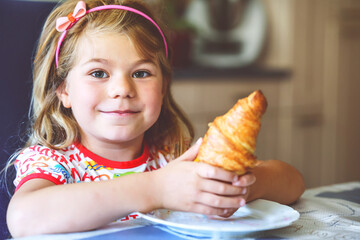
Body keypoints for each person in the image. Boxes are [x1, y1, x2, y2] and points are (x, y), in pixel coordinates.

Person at [6, 0, 305, 237]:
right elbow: (24, 218)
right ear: (63, 90)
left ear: (163, 88)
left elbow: (293, 182)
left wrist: (237, 190)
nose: (122, 89)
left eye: (141, 73)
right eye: (99, 73)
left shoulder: (173, 155)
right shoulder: (51, 162)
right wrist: (156, 189)